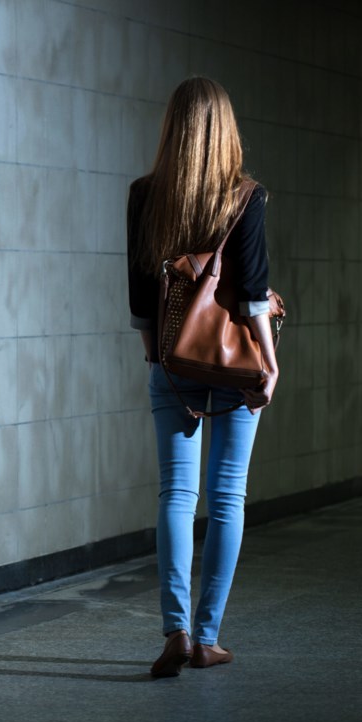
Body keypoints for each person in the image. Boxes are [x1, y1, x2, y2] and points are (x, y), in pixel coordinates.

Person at [126, 77, 279, 678]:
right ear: (226, 131)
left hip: (171, 362)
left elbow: (141, 299)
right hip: (236, 363)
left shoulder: (145, 196)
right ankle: (208, 636)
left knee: (175, 495)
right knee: (226, 496)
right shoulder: (244, 197)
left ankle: (176, 630)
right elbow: (252, 296)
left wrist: (160, 362)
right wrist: (267, 365)